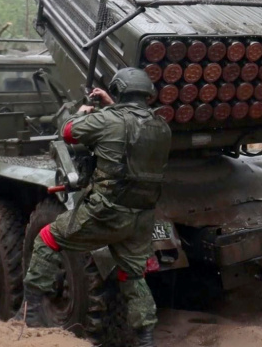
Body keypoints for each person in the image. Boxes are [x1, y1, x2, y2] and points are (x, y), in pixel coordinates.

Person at [18, 67, 172, 347]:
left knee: (47, 238)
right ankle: (146, 339)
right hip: (141, 216)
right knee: (132, 274)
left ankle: (30, 315)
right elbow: (132, 125)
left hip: (106, 213)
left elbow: (67, 132)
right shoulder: (161, 127)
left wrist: (82, 111)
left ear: (119, 91)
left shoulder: (106, 120)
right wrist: (112, 106)